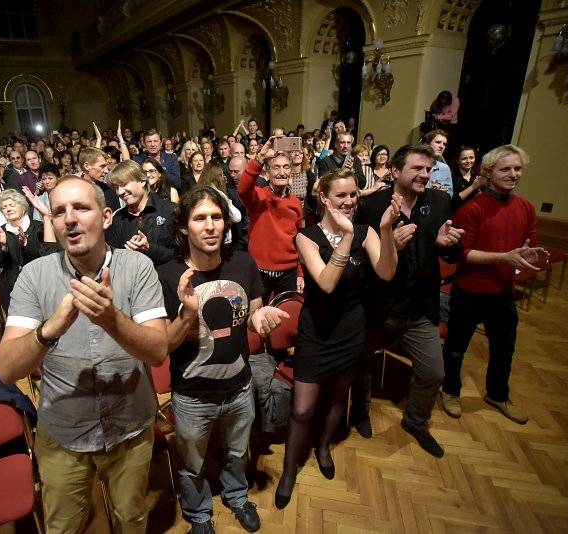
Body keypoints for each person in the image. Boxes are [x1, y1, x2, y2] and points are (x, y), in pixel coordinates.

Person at [0, 176, 168, 534]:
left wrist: (112, 320)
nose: (70, 219)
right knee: (64, 527)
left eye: (81, 208)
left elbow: (157, 352)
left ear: (106, 217)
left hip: (129, 430)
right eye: (59, 211)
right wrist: (49, 330)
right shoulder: (33, 275)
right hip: (63, 434)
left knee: (131, 519)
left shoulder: (137, 269)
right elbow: (7, 370)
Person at [157, 186, 289, 533]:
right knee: (192, 465)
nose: (211, 225)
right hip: (192, 395)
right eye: (200, 218)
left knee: (236, 452)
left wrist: (259, 321)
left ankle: (236, 495)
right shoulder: (168, 275)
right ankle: (199, 514)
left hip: (239, 388)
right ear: (184, 227)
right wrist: (186, 314)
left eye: (216, 217)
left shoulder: (242, 261)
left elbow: (253, 311)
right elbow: (163, 347)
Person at [275, 169, 400, 508]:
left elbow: (387, 272)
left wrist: (386, 230)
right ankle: (289, 470)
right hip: (316, 331)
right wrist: (345, 237)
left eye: (354, 195)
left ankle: (324, 446)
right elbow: (326, 283)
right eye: (341, 196)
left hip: (351, 329)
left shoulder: (367, 231)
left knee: (337, 397)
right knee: (302, 409)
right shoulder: (307, 236)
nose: (349, 201)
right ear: (325, 200)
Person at [351, 144, 464, 458]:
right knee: (363, 364)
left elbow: (452, 251)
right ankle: (360, 410)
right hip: (377, 306)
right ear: (395, 171)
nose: (425, 175)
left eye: (428, 169)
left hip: (419, 307)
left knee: (434, 373)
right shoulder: (371, 206)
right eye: (417, 168)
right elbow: (358, 260)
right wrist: (390, 249)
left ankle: (415, 420)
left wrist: (447, 245)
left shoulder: (440, 201)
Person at [441, 145, 546, 425]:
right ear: (488, 172)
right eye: (506, 169)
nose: (513, 174)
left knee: (504, 348)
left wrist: (531, 255)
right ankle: (450, 390)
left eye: (517, 168)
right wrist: (505, 257)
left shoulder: (526, 207)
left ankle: (497, 394)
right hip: (470, 291)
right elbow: (462, 254)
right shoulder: (473, 208)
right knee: (455, 347)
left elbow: (528, 244)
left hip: (502, 292)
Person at [237, 137, 304, 300]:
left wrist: (300, 273)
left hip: (288, 273)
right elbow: (243, 189)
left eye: (286, 167)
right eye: (276, 167)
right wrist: (259, 158)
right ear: (267, 173)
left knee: (286, 317)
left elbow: (300, 239)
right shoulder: (258, 196)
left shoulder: (296, 203)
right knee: (258, 318)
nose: (282, 172)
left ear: (291, 171)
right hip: (260, 272)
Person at [106, 160, 175, 266]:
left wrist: (149, 248)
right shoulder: (118, 219)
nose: (120, 192)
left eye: (124, 184)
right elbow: (113, 261)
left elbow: (181, 255)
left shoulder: (169, 210)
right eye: (116, 187)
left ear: (142, 181)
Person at [0, 188, 50, 310]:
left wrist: (26, 243)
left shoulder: (38, 227)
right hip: (12, 286)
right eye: (4, 207)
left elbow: (46, 257)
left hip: (39, 283)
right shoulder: (1, 231)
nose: (8, 209)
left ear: (23, 207)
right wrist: (4, 246)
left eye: (11, 205)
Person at [451, 145, 485, 212]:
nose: (468, 161)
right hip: (457, 215)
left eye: (471, 158)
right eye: (464, 158)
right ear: (457, 161)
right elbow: (453, 201)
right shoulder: (452, 177)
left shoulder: (477, 176)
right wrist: (473, 187)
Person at [421, 130, 453, 197]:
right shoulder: (416, 164)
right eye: (438, 142)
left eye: (444, 144)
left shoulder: (444, 168)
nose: (442, 146)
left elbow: (450, 194)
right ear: (427, 144)